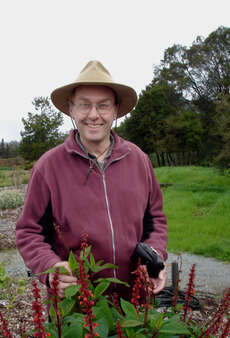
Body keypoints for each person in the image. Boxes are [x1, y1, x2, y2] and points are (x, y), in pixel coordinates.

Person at [15, 60, 168, 303]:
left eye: (103, 106)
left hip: (135, 303)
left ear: (115, 110)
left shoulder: (139, 160)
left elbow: (156, 220)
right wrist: (50, 268)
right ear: (71, 109)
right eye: (84, 105)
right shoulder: (48, 167)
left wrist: (155, 257)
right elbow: (29, 231)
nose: (94, 115)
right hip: (76, 307)